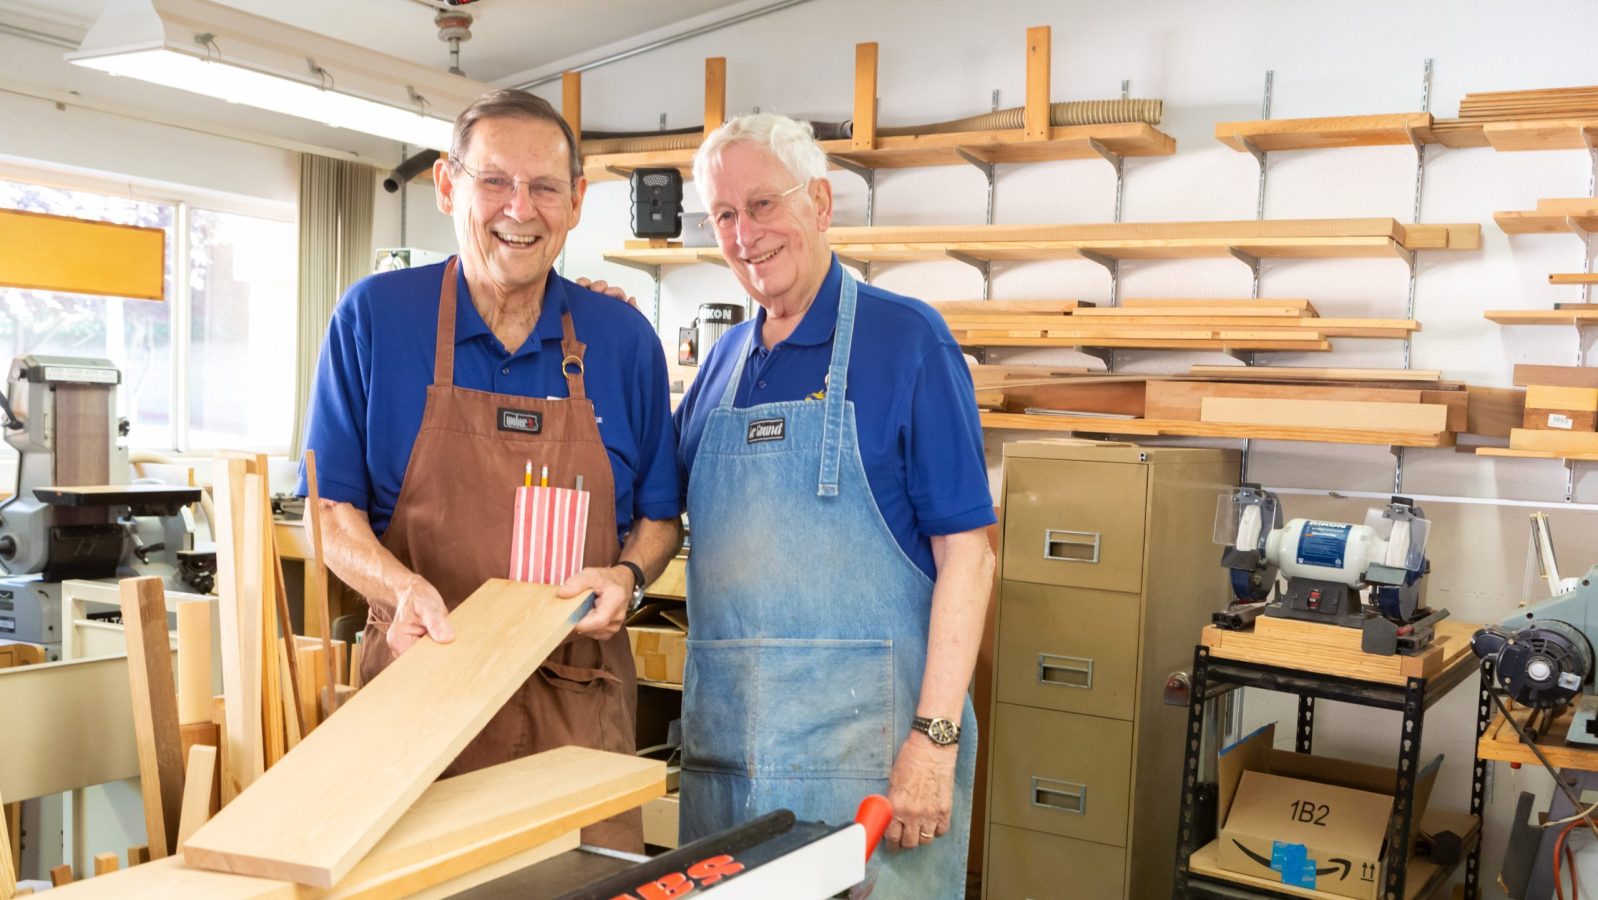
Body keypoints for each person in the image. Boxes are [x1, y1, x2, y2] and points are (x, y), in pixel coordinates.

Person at [298, 89, 681, 851]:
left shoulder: (622, 339)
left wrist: (631, 579)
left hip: (577, 704)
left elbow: (660, 519)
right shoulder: (374, 319)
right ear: (447, 185)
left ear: (575, 202)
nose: (520, 208)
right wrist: (397, 587)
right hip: (420, 699)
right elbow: (328, 515)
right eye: (495, 181)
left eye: (544, 187)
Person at [673, 113, 996, 897]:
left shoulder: (908, 340)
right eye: (723, 214)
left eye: (762, 205)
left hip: (871, 781)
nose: (743, 233)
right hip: (728, 776)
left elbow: (972, 555)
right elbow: (651, 516)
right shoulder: (719, 366)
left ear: (820, 202)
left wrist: (935, 741)